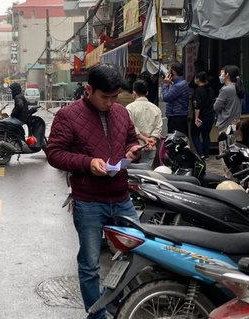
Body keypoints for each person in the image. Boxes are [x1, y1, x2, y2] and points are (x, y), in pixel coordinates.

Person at [47, 64, 141, 319]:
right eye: (104, 97)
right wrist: (88, 163)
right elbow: (54, 153)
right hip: (88, 201)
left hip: (121, 198)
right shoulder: (68, 116)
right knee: (90, 264)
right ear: (89, 90)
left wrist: (133, 150)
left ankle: (116, 303)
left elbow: (131, 140)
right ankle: (96, 315)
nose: (110, 103)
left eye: (114, 97)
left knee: (134, 255)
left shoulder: (121, 112)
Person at [126, 79, 162, 167]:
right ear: (147, 93)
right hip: (151, 148)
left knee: (132, 173)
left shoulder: (130, 108)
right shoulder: (156, 108)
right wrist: (151, 140)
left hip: (134, 148)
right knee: (147, 172)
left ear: (134, 93)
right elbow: (158, 128)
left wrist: (144, 139)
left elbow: (131, 128)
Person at [214, 65, 244, 152]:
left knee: (224, 151)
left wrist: (222, 105)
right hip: (235, 122)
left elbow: (216, 107)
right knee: (232, 148)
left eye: (223, 72)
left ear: (227, 74)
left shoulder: (226, 89)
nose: (221, 75)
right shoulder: (237, 87)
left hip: (225, 124)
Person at [191, 71, 216, 159]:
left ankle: (201, 154)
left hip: (201, 117)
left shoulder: (198, 90)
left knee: (195, 135)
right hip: (210, 116)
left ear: (198, 79)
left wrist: (196, 118)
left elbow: (197, 106)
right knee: (206, 135)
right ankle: (206, 154)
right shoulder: (210, 89)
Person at [161, 62, 190, 134]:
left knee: (175, 139)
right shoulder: (180, 83)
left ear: (173, 72)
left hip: (176, 118)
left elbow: (166, 97)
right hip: (178, 116)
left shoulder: (179, 85)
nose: (167, 73)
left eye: (169, 71)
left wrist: (166, 84)